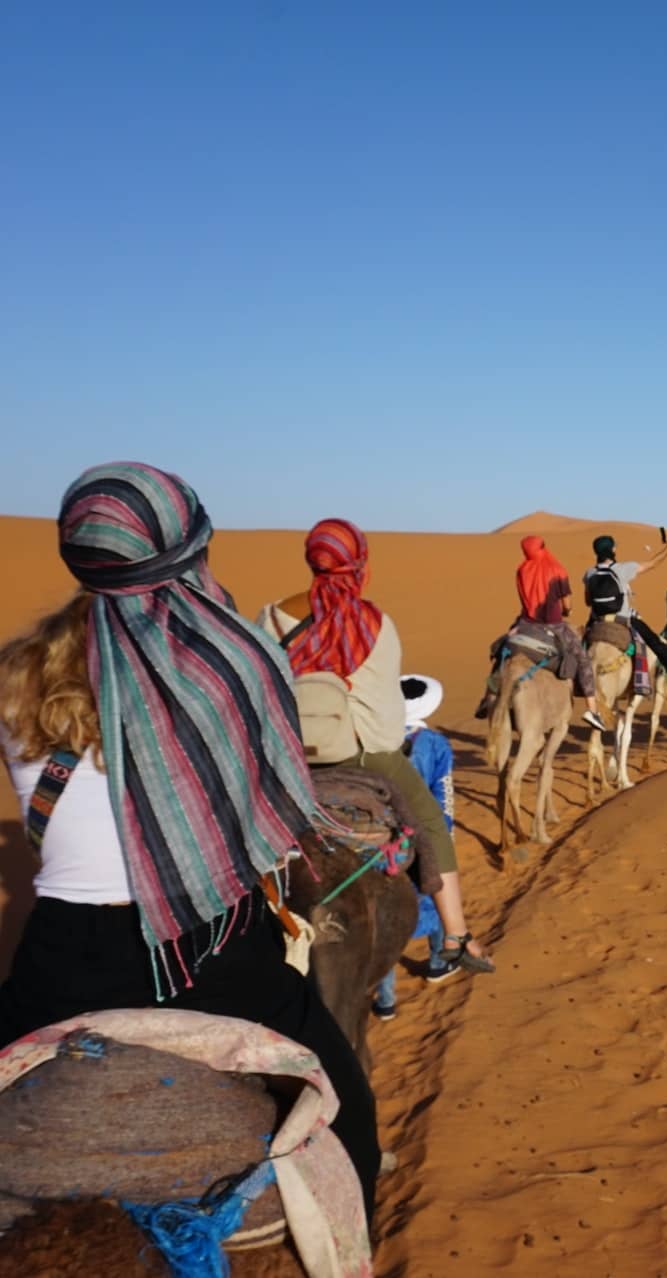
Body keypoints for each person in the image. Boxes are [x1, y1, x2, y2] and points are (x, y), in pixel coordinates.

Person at [0, 462, 380, 1223]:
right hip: (205, 950)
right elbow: (258, 812)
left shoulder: (16, 678)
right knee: (351, 1119)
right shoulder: (234, 662)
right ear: (191, 549)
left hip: (58, 960)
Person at [260, 519, 495, 980]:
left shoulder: (269, 618)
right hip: (364, 754)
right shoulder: (374, 623)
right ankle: (455, 935)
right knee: (430, 823)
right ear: (359, 563)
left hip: (284, 758)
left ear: (313, 560)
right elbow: (387, 711)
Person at [373, 675, 451, 1019]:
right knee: (434, 892)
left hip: (379, 839)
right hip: (421, 834)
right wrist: (443, 836)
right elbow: (444, 796)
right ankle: (437, 962)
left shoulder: (372, 741)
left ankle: (386, 999)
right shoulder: (435, 744)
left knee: (383, 915)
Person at [475, 535, 607, 728]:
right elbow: (567, 604)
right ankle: (592, 710)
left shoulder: (522, 570)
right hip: (553, 625)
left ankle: (488, 697)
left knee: (501, 650)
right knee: (582, 658)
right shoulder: (557, 569)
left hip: (525, 623)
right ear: (543, 548)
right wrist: (567, 610)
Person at [581, 532, 667, 696]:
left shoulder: (589, 573)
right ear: (612, 550)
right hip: (623, 620)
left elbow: (587, 602)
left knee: (580, 646)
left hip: (596, 622)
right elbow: (652, 564)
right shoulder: (622, 569)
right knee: (653, 640)